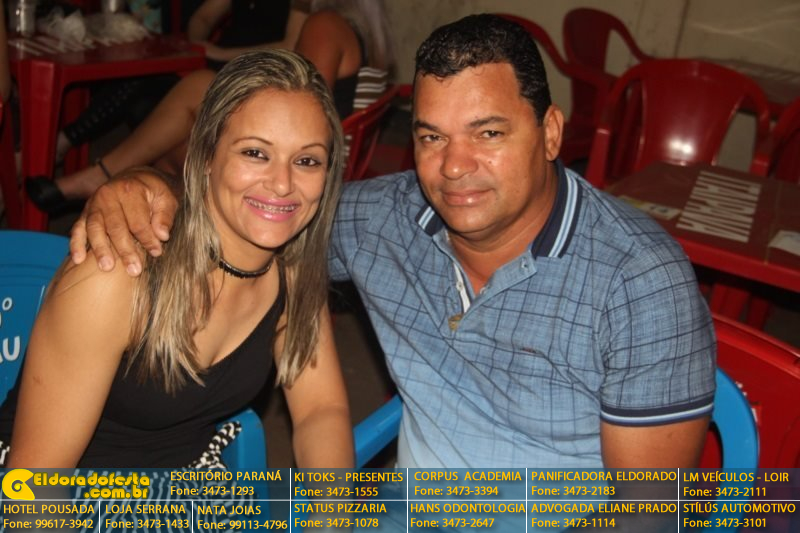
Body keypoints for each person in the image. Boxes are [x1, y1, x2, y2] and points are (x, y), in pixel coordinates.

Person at [69, 14, 715, 469]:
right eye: (432, 136)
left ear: (549, 132)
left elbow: (648, 513)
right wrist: (145, 185)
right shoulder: (384, 220)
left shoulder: (640, 280)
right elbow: (259, 207)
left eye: (488, 133)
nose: (454, 165)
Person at [0, 49, 352, 469]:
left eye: (307, 160)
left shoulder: (292, 271)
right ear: (205, 157)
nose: (282, 183)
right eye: (255, 153)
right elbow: (35, 481)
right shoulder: (116, 274)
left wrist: (331, 503)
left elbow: (321, 410)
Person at [26, 0, 392, 213]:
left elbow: (300, 111)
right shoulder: (359, 30)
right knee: (190, 103)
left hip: (307, 168)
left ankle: (105, 185)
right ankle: (103, 181)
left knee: (176, 141)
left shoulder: (324, 25)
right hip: (320, 160)